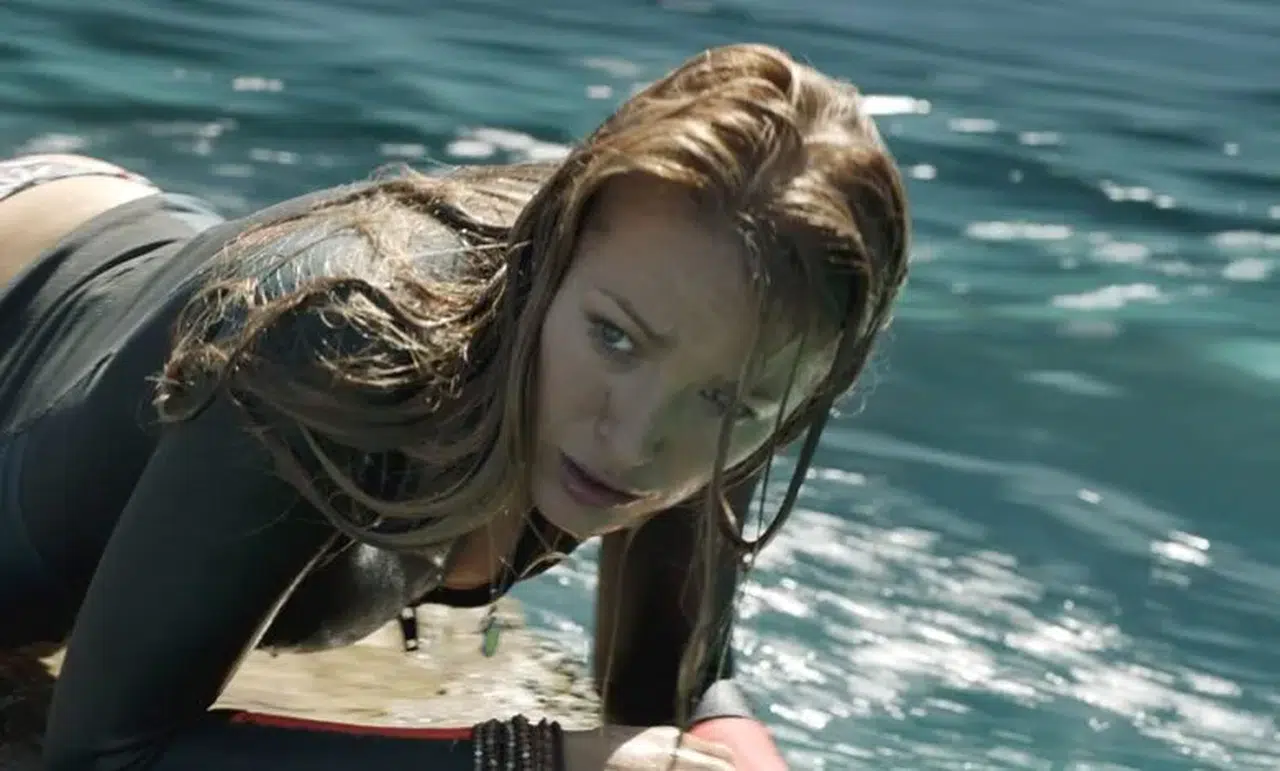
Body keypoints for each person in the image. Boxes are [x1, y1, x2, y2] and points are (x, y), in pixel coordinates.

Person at [0, 43, 909, 771]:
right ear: (550, 252)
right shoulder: (334, 343)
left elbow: (662, 698)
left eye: (729, 402)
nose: (636, 442)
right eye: (613, 338)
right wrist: (536, 758)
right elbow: (107, 752)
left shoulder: (728, 338)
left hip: (110, 253)